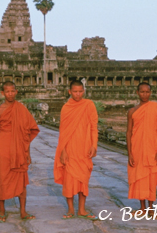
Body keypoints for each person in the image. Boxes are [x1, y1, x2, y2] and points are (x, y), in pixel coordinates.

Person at [0, 81, 40, 222]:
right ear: (2, 93)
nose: (10, 94)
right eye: (7, 92)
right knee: (1, 179)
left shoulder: (21, 109)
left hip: (19, 149)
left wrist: (27, 152)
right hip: (2, 149)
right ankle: (2, 211)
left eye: (12, 91)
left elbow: (27, 132)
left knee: (21, 180)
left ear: (16, 92)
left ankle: (23, 211)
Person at [54, 80, 99, 220]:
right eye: (75, 91)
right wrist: (63, 151)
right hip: (70, 148)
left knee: (83, 179)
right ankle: (70, 209)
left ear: (83, 91)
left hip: (85, 148)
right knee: (69, 180)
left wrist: (94, 145)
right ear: (69, 92)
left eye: (80, 91)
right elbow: (63, 131)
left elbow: (93, 126)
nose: (78, 94)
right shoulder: (66, 108)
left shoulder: (89, 105)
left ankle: (82, 209)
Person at [127, 82, 157, 218]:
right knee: (140, 178)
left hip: (152, 148)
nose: (144, 94)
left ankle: (151, 209)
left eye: (147, 92)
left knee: (151, 178)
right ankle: (142, 208)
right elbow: (129, 132)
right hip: (137, 148)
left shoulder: (156, 108)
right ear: (137, 93)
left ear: (150, 93)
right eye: (142, 92)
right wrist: (129, 153)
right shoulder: (132, 111)